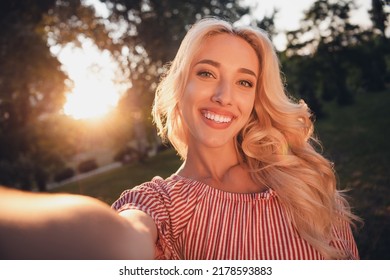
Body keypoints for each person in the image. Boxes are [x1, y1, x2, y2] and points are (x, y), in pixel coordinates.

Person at [0, 17, 359, 260]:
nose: (224, 96)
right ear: (180, 86)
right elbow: (116, 239)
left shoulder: (299, 174)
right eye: (206, 73)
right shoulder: (160, 205)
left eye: (244, 82)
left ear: (255, 99)